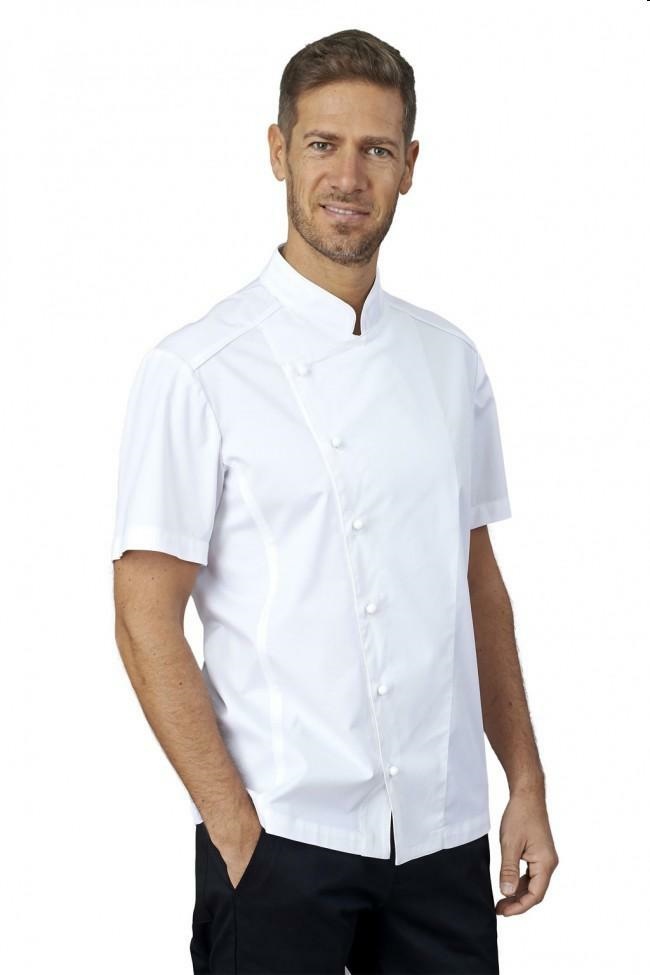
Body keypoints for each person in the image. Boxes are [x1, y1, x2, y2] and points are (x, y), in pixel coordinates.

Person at [111, 27, 558, 975]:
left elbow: (477, 588)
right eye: (323, 144)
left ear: (410, 166)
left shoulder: (451, 362)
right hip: (283, 838)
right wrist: (235, 830)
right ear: (279, 151)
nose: (348, 176)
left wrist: (524, 780)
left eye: (376, 149)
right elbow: (145, 616)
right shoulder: (197, 369)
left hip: (441, 836)